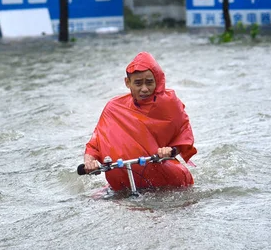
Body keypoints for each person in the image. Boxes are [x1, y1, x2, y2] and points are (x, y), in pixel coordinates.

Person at [83, 52, 197, 191]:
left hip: (165, 179)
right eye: (138, 83)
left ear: (158, 81)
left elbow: (184, 134)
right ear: (127, 83)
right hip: (121, 185)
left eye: (149, 82)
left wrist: (171, 150)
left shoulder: (170, 104)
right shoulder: (113, 107)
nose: (144, 89)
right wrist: (89, 162)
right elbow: (95, 144)